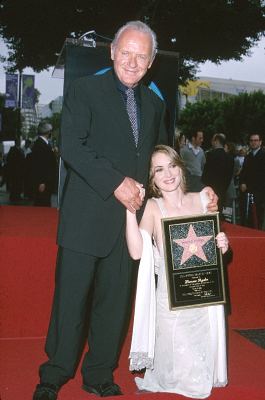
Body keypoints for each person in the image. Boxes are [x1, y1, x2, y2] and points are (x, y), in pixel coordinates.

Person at [33, 21, 218, 400]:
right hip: (86, 216)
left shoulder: (155, 104)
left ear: (150, 62)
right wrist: (115, 182)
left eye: (141, 56)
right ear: (112, 52)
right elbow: (72, 144)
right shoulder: (85, 90)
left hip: (131, 223)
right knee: (71, 300)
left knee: (114, 303)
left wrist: (198, 193)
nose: (132, 62)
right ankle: (54, 373)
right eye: (126, 53)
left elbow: (162, 161)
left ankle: (99, 373)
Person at [126, 145, 229, 399]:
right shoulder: (152, 206)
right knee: (178, 377)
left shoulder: (203, 198)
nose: (168, 174)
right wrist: (129, 210)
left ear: (181, 168)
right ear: (152, 178)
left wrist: (222, 244)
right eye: (159, 169)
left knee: (199, 378)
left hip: (203, 299)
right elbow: (137, 253)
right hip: (171, 303)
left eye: (172, 165)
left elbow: (213, 248)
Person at [202, 133, 234, 216]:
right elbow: (229, 176)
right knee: (224, 215)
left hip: (211, 193)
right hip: (224, 192)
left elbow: (205, 175)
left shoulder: (210, 155)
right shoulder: (230, 158)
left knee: (211, 215)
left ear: (216, 141)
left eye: (213, 140)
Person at [239, 133, 265, 229]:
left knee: (257, 217)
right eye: (251, 140)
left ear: (260, 142)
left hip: (259, 192)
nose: (253, 142)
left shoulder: (263, 155)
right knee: (247, 218)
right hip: (247, 192)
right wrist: (242, 182)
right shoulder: (248, 156)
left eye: (256, 140)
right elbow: (244, 172)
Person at [31, 122, 58, 207]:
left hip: (46, 181)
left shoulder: (43, 143)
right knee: (42, 203)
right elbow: (40, 165)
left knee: (44, 202)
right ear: (48, 132)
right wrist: (41, 182)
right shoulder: (41, 145)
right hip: (43, 182)